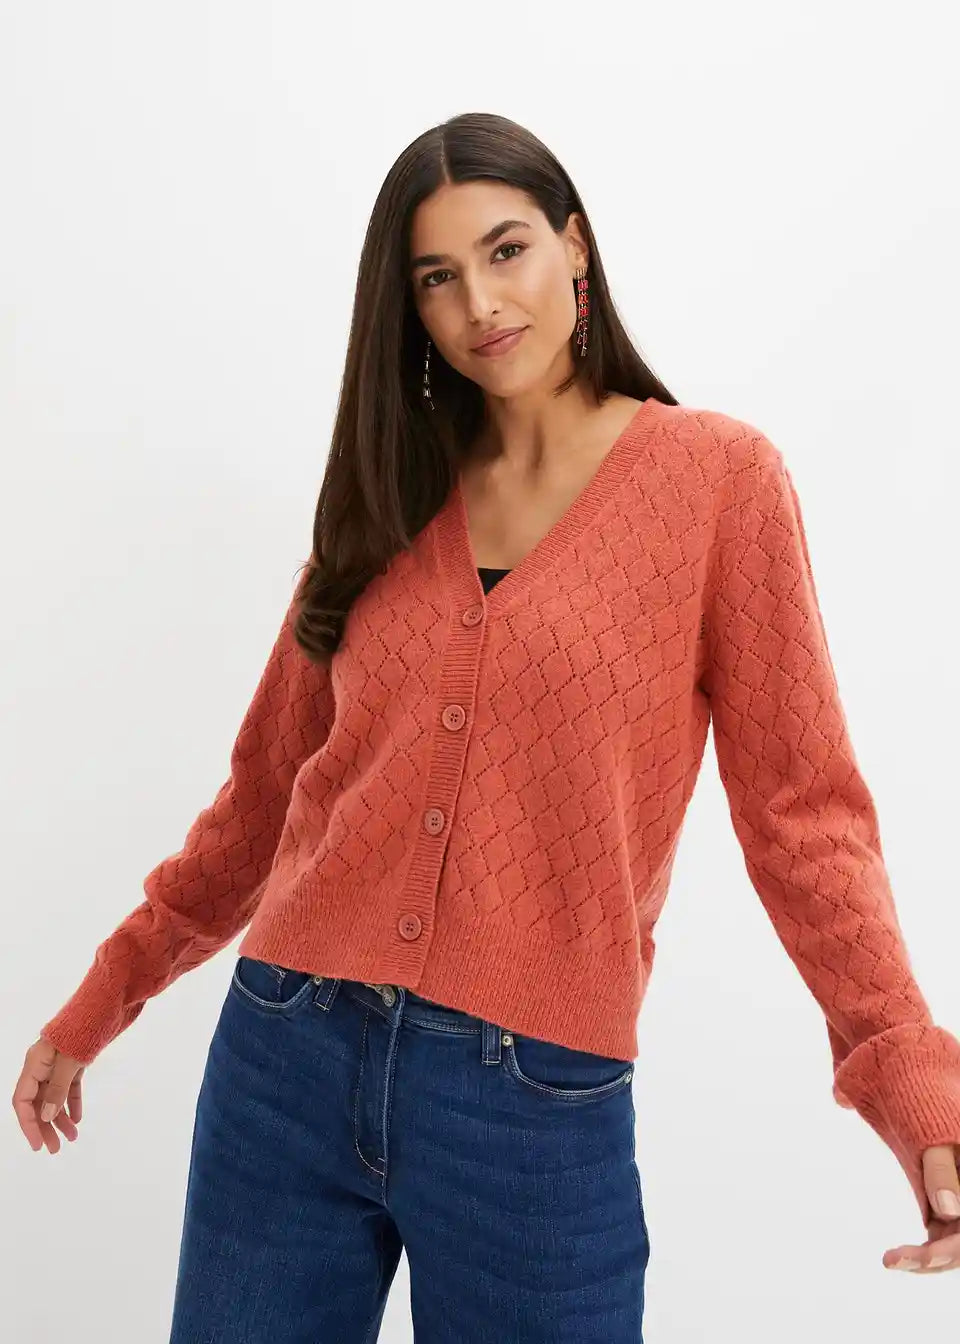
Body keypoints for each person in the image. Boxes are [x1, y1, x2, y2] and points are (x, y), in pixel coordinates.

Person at [13, 111, 960, 1340]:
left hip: (532, 1100)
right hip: (286, 1054)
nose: (480, 304)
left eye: (506, 250)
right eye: (437, 277)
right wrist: (106, 994)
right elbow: (264, 797)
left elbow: (804, 813)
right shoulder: (388, 489)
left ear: (576, 246)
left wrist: (908, 1072)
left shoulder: (720, 483)